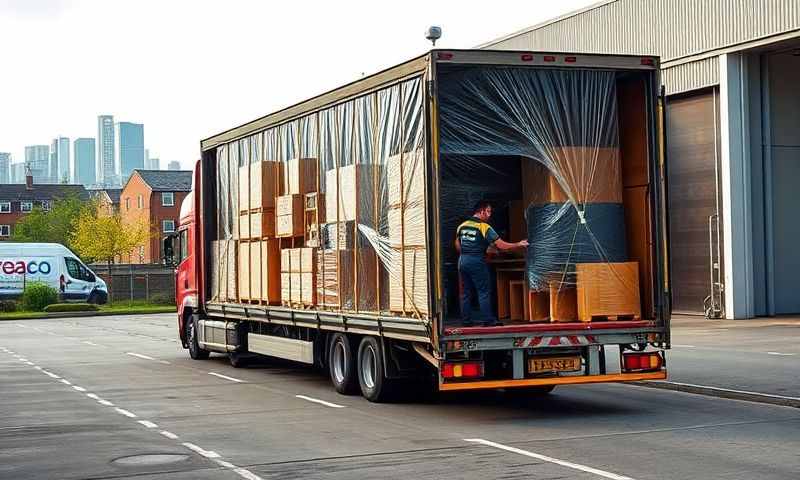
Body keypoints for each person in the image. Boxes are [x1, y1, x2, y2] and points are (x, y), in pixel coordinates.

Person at [455, 201, 528, 327]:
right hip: (476, 261)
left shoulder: (462, 226)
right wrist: (518, 244)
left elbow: (457, 244)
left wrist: (467, 253)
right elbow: (501, 245)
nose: (489, 215)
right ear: (481, 211)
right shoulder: (484, 227)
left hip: (462, 260)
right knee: (483, 291)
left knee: (465, 292)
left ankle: (466, 321)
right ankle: (488, 320)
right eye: (488, 211)